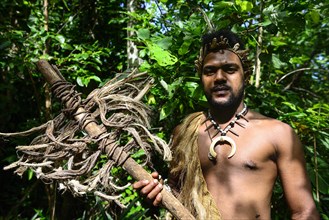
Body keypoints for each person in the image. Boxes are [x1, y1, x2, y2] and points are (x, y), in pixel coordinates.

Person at [133, 29, 320, 219]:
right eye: (210, 71)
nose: (219, 78)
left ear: (245, 75)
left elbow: (304, 211)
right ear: (201, 78)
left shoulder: (278, 133)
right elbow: (176, 195)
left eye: (230, 69)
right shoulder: (184, 132)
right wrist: (156, 193)